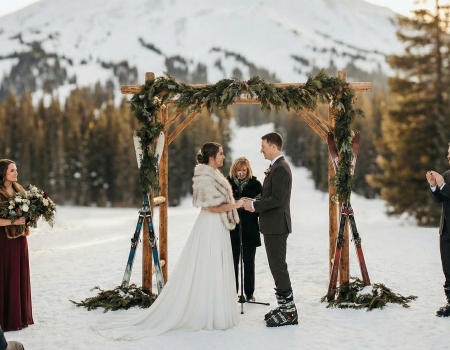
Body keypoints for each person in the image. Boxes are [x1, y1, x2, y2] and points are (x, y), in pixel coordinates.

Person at [94, 142, 242, 339]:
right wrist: (237, 204)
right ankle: (205, 311)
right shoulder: (205, 176)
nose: (224, 157)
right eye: (221, 154)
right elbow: (212, 207)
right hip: (210, 226)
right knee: (207, 266)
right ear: (212, 157)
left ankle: (214, 308)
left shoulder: (211, 173)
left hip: (217, 226)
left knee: (213, 266)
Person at [242, 132, 297, 327]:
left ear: (274, 146)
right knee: (276, 266)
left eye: (263, 146)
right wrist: (254, 201)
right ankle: (284, 308)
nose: (261, 150)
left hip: (277, 226)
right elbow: (270, 195)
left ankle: (290, 313)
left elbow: (277, 200)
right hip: (272, 226)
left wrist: (255, 207)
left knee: (278, 266)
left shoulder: (281, 168)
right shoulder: (277, 167)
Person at [0, 159, 34, 332]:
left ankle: (19, 317)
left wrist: (33, 217)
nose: (16, 173)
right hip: (4, 241)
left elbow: (26, 212)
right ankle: (6, 320)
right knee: (6, 276)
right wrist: (13, 220)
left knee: (19, 276)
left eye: (16, 170)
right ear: (3, 172)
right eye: (12, 170)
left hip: (20, 240)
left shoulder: (19, 190)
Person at [226, 157, 262, 302]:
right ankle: (233, 291)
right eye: (238, 170)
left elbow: (261, 205)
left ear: (248, 170)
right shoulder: (227, 184)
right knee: (233, 261)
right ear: (234, 170)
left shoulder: (255, 185)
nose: (241, 172)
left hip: (250, 228)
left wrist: (251, 205)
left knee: (249, 261)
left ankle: (249, 293)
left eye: (244, 170)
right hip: (232, 228)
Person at [427, 143, 450, 317]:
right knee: (447, 267)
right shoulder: (448, 175)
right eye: (448, 152)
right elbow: (439, 200)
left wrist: (443, 185)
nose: (448, 156)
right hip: (446, 229)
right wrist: (434, 185)